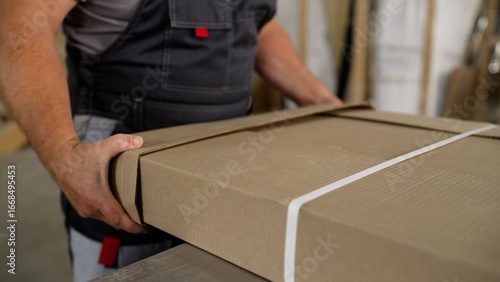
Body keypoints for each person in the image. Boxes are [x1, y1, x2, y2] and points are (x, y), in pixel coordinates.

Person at [0, 0, 343, 281]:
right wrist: (66, 158)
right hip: (127, 203)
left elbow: (257, 24)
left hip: (231, 193)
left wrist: (323, 103)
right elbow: (17, 25)